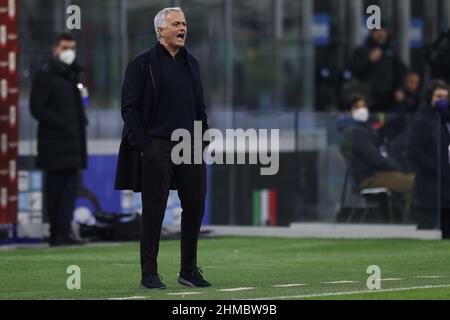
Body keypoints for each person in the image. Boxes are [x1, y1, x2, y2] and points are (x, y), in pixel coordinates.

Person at [114, 7, 211, 290]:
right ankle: (149, 274)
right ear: (160, 31)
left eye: (184, 23)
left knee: (194, 207)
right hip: (156, 145)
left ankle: (189, 271)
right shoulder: (141, 64)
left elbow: (199, 107)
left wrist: (202, 139)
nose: (183, 28)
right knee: (154, 211)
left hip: (189, 145)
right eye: (176, 24)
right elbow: (129, 108)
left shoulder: (191, 64)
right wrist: (143, 144)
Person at [29, 32, 88, 246]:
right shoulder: (45, 75)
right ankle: (57, 233)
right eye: (65, 48)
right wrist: (63, 123)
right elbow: (37, 108)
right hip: (54, 144)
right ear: (55, 49)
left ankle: (65, 231)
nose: (69, 52)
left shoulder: (74, 75)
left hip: (73, 143)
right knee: (55, 190)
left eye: (72, 48)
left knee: (70, 190)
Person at [338, 93, 414, 199]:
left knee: (412, 180)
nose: (362, 110)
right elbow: (374, 158)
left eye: (364, 106)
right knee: (415, 183)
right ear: (349, 112)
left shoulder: (355, 130)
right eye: (357, 107)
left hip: (370, 175)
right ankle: (409, 215)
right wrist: (396, 167)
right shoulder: (355, 131)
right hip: (370, 178)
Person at [407, 80, 450, 238]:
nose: (443, 100)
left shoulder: (444, 121)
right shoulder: (423, 121)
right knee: (426, 233)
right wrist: (436, 168)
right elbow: (413, 151)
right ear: (429, 98)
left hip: (445, 189)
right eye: (439, 96)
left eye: (446, 96)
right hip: (430, 189)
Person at [350, 27, 406, 112]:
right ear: (372, 33)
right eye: (377, 31)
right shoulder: (362, 50)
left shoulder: (392, 52)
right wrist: (370, 60)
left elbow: (399, 72)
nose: (380, 34)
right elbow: (355, 71)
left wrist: (400, 88)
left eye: (383, 31)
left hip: (388, 97)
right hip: (367, 96)